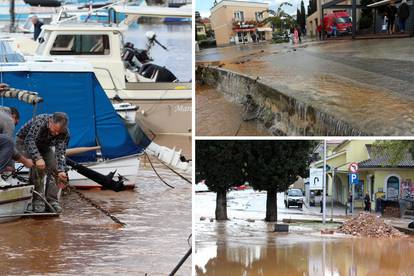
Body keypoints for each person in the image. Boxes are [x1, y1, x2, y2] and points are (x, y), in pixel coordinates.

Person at [16, 112, 70, 213]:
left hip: (43, 145)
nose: (56, 134)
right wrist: (37, 158)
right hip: (23, 142)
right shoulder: (40, 121)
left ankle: (52, 200)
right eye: (54, 130)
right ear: (50, 122)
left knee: (55, 167)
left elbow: (61, 152)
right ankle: (38, 200)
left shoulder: (65, 133)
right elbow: (29, 140)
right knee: (39, 167)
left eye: (59, 132)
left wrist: (61, 170)